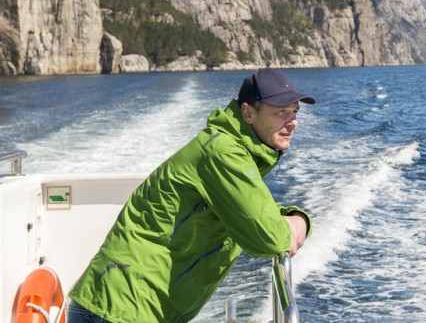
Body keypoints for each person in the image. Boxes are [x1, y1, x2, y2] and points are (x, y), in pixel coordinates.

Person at [67, 68, 315, 322]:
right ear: (248, 113)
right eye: (281, 112)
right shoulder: (223, 153)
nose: (292, 121)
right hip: (120, 308)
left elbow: (249, 208)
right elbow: (269, 239)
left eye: (295, 111)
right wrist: (297, 223)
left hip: (129, 307)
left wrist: (296, 218)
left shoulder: (231, 150)